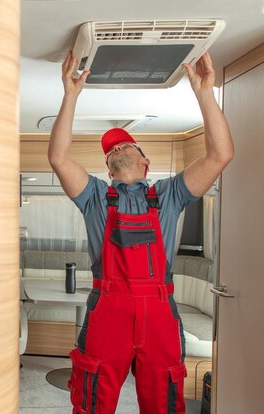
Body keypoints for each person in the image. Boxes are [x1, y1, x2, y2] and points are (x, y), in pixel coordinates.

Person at [47, 51, 233, 414]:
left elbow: (220, 154)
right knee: (91, 404)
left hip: (160, 314)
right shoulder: (95, 197)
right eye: (109, 150)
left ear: (146, 162)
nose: (115, 147)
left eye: (124, 143)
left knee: (163, 406)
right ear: (109, 170)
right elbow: (58, 157)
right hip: (107, 313)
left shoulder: (170, 194)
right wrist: (70, 96)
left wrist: (205, 93)